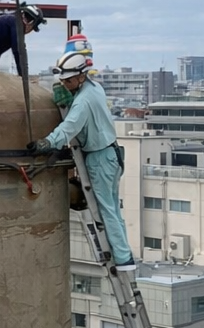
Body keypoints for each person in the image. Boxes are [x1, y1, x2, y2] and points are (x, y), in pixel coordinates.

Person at [28, 53, 135, 270]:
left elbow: (69, 127)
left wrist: (47, 143)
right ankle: (125, 255)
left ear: (80, 77)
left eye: (68, 80)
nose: (64, 84)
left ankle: (122, 259)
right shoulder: (95, 89)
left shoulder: (83, 102)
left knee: (106, 209)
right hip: (111, 155)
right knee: (113, 207)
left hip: (99, 158)